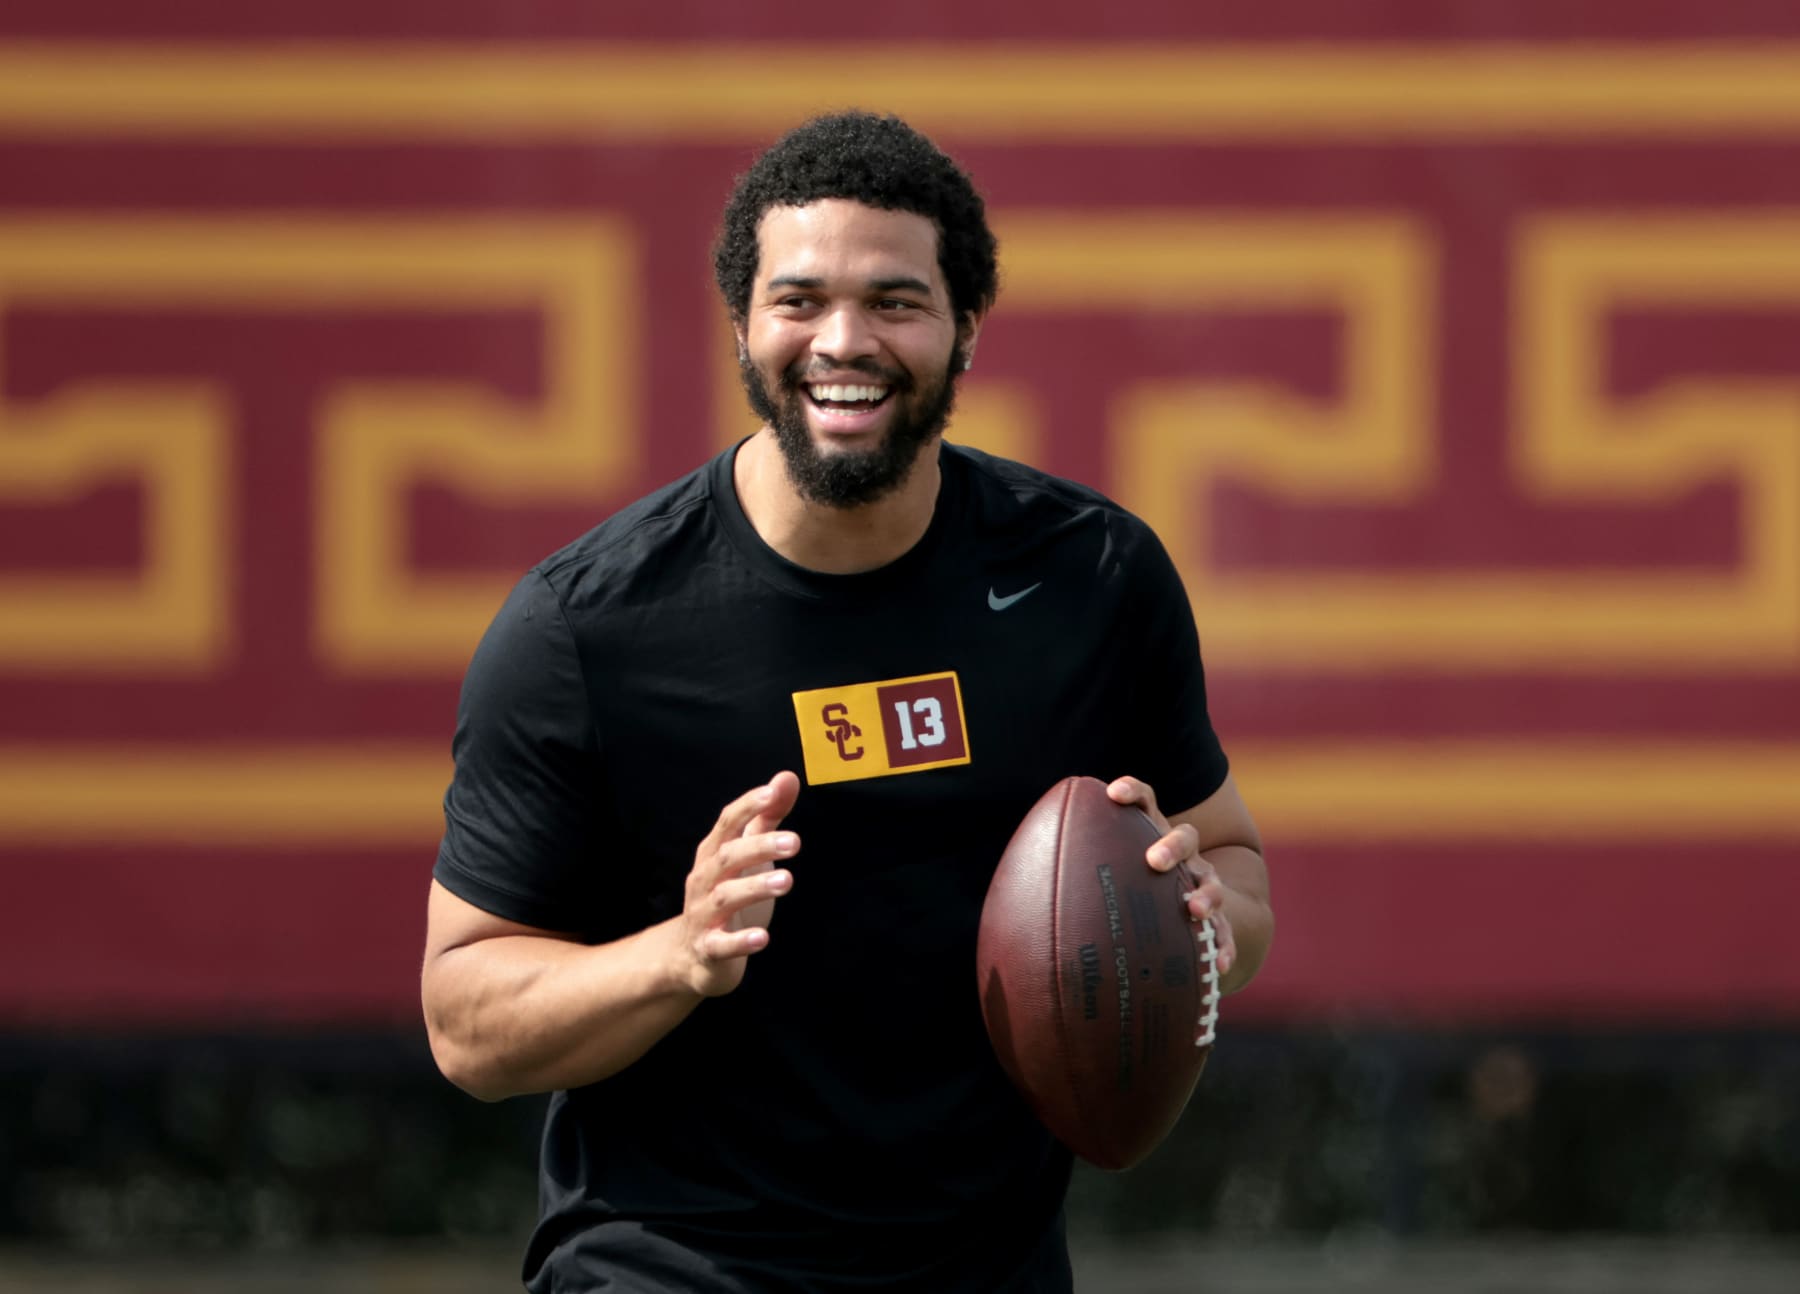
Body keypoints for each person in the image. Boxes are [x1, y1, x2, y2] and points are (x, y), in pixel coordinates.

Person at [422, 110, 1273, 1293]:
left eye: (895, 302)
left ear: (965, 331)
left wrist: (1199, 921)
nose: (843, 341)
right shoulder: (585, 630)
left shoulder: (1092, 579)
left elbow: (1231, 865)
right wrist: (678, 952)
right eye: (799, 300)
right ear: (741, 326)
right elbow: (464, 1021)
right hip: (672, 1268)